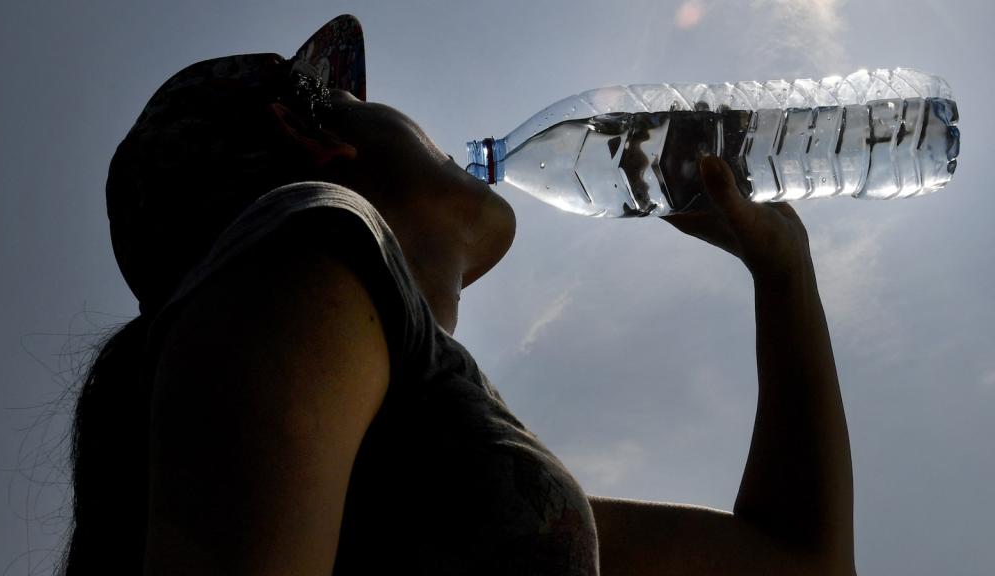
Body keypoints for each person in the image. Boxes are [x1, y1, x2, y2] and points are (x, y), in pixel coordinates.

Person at [62, 14, 856, 576]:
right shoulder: (313, 252)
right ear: (315, 136)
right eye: (371, 104)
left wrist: (784, 273)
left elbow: (797, 565)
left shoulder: (482, 485)